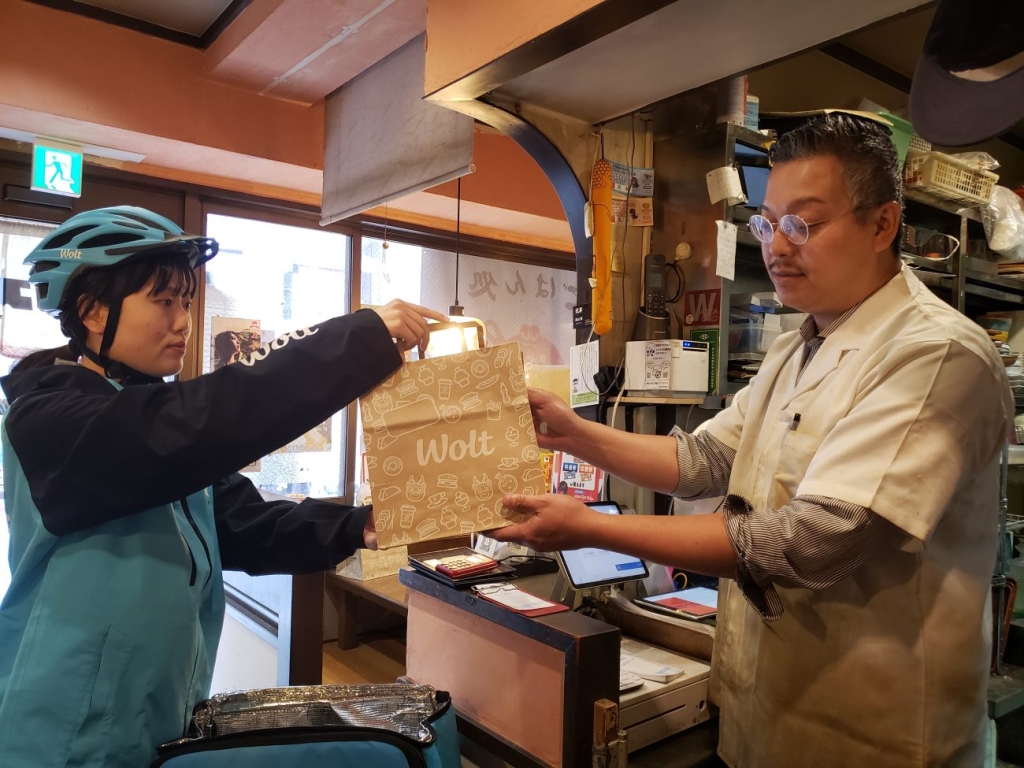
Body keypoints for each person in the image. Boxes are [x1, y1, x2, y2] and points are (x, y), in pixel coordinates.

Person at [493, 115, 1013, 767]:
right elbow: (701, 461)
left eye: (804, 223)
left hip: (881, 738)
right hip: (766, 720)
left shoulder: (935, 353)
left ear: (883, 224)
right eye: (768, 224)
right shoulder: (799, 345)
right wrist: (572, 432)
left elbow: (816, 538)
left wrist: (593, 528)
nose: (777, 246)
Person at [0, 206, 446, 768]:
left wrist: (360, 524)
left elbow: (242, 524)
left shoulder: (138, 414)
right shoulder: (49, 417)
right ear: (92, 312)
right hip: (59, 732)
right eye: (164, 301)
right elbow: (203, 423)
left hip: (152, 718)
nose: (183, 321)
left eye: (185, 301)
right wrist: (356, 341)